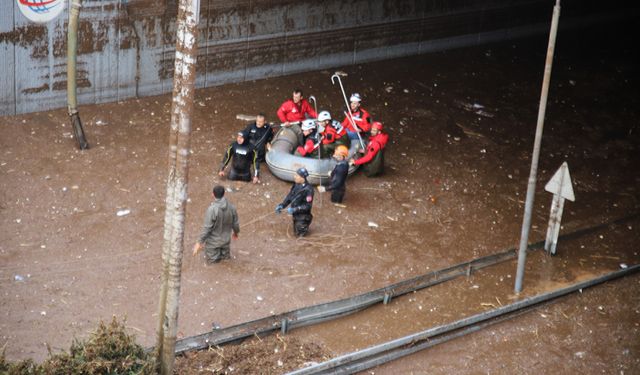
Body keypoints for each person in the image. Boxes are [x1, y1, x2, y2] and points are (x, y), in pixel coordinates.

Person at [193, 185, 240, 264]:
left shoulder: (212, 209)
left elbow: (207, 228)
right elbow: (235, 223)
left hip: (213, 245)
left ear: (213, 194)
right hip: (226, 242)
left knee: (212, 266)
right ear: (224, 193)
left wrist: (199, 242)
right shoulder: (232, 207)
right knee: (226, 263)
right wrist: (236, 233)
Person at [275, 167, 314, 237]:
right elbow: (290, 196)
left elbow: (308, 206)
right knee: (295, 230)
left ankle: (303, 229)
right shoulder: (296, 184)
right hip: (295, 214)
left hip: (303, 216)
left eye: (297, 175)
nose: (294, 177)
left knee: (300, 235)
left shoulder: (309, 190)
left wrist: (295, 209)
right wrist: (282, 205)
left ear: (302, 178)